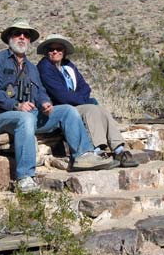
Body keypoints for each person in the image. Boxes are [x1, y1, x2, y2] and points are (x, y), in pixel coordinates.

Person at [0, 20, 117, 192]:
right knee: (24, 119)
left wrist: (44, 103)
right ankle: (25, 177)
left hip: (31, 115)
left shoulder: (31, 68)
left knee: (67, 111)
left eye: (26, 35)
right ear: (9, 37)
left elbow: (40, 92)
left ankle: (83, 156)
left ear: (29, 40)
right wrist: (16, 105)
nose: (22, 37)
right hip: (1, 116)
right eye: (17, 33)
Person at [36, 34, 138, 168]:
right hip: (61, 108)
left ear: (64, 51)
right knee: (91, 109)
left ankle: (119, 149)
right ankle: (97, 150)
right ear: (46, 52)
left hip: (75, 103)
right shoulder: (45, 67)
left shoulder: (68, 66)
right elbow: (61, 95)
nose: (55, 52)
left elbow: (85, 87)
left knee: (101, 109)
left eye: (59, 48)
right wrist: (85, 100)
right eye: (51, 49)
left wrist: (84, 99)